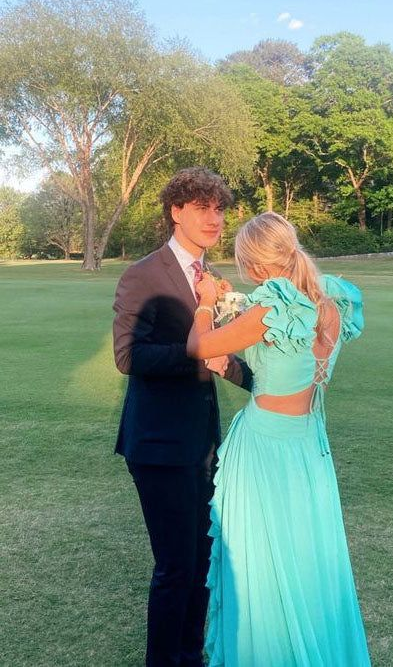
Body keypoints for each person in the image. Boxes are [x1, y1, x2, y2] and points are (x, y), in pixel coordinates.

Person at [187, 212, 371, 666]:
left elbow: (199, 346)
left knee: (262, 563)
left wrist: (206, 303)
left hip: (264, 450)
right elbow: (285, 362)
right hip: (307, 447)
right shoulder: (331, 302)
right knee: (306, 556)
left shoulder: (272, 308)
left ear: (254, 264)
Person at [113, 167, 253, 667]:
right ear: (176, 211)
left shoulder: (211, 278)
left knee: (201, 563)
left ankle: (191, 656)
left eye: (219, 209)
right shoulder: (143, 275)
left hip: (203, 443)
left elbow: (222, 351)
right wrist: (198, 354)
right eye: (201, 208)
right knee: (175, 567)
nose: (213, 219)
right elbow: (129, 357)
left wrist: (259, 379)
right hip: (158, 444)